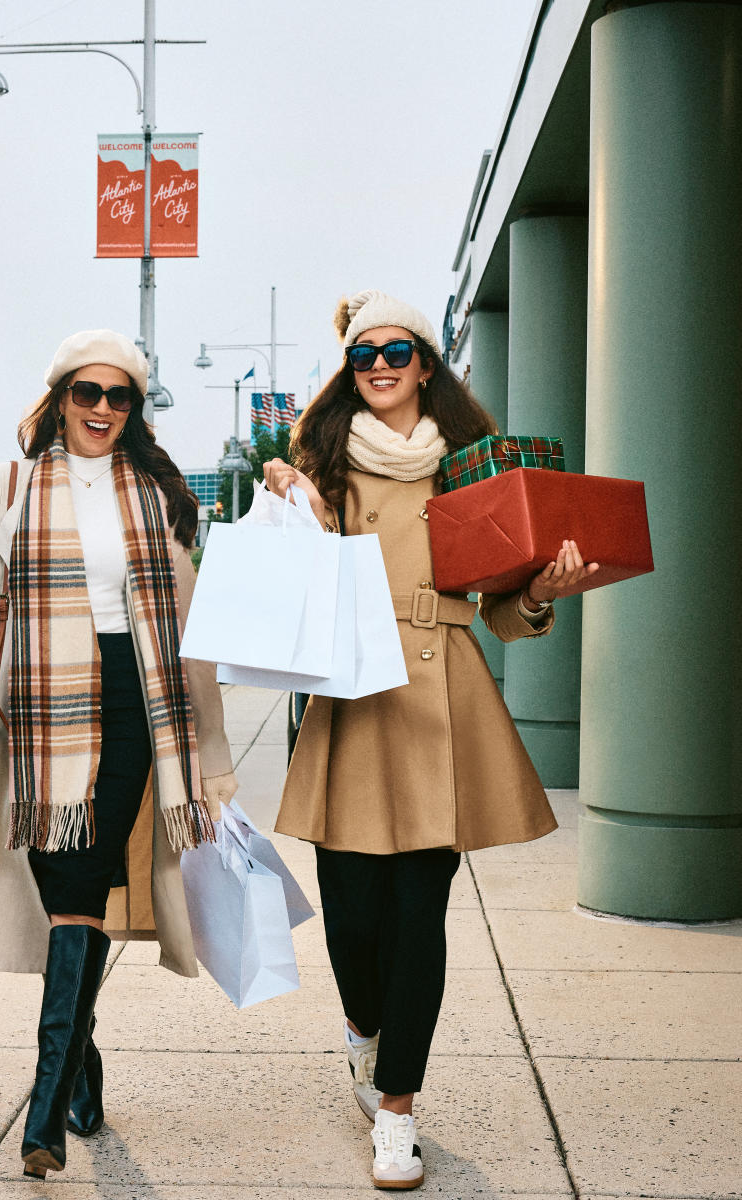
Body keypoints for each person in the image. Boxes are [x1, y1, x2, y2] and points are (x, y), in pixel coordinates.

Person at [264, 290, 596, 1191]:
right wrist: (283, 492)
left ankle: (398, 1115)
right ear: (348, 366)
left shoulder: (474, 467)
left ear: (426, 363)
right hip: (353, 696)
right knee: (352, 918)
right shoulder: (320, 460)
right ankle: (363, 1034)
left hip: (441, 691)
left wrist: (540, 594)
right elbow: (292, 567)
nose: (380, 364)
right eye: (364, 351)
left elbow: (501, 609)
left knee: (420, 917)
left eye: (397, 350)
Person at [0, 329, 237, 1182]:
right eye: (86, 392)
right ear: (59, 397)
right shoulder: (12, 485)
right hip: (41, 702)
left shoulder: (157, 493)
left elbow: (193, 627)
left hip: (137, 697)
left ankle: (45, 1106)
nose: (101, 408)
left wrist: (209, 748)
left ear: (134, 408)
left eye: (119, 395)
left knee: (87, 878)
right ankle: (77, 1070)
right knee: (67, 885)